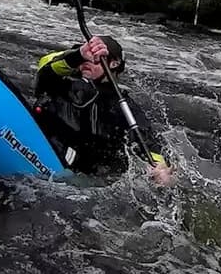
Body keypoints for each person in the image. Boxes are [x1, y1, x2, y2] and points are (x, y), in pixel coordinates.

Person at [30, 35, 173, 185]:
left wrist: (160, 168)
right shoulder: (63, 81)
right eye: (85, 57)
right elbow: (45, 68)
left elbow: (147, 143)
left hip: (73, 172)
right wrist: (79, 54)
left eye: (95, 58)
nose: (86, 62)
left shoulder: (123, 107)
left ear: (113, 64)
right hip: (41, 143)